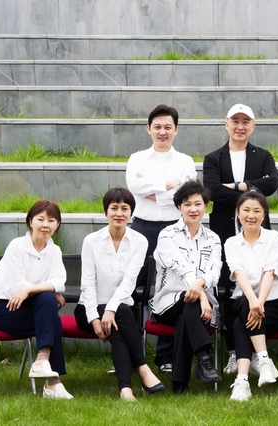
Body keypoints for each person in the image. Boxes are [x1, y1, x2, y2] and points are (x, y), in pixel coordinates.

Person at [203, 103, 278, 374]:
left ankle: (257, 353)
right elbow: (211, 190)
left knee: (256, 288)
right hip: (224, 229)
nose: (240, 126)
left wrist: (234, 187)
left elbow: (272, 185)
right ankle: (234, 352)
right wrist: (251, 188)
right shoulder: (213, 158)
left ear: (253, 126)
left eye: (246, 121)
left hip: (257, 230)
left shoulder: (263, 155)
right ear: (226, 125)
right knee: (226, 290)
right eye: (235, 121)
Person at [74, 188, 165, 402]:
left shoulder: (139, 241)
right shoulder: (91, 241)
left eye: (125, 208)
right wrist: (94, 318)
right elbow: (87, 283)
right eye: (114, 208)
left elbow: (129, 281)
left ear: (131, 212)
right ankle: (142, 369)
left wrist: (110, 309)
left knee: (118, 320)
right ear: (106, 211)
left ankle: (126, 389)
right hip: (89, 309)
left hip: (120, 311)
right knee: (121, 316)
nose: (119, 213)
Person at [126, 104, 197, 373]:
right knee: (134, 288)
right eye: (157, 127)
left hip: (175, 228)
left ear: (176, 130)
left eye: (168, 127)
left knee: (173, 289)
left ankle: (166, 356)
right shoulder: (137, 158)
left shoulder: (185, 161)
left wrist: (152, 190)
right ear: (148, 129)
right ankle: (132, 354)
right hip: (142, 227)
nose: (162, 131)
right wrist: (168, 185)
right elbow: (134, 187)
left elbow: (185, 195)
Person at [0, 200, 72, 399]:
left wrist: (33, 289)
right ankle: (52, 383)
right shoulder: (16, 246)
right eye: (40, 219)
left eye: (52, 220)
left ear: (57, 225)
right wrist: (48, 288)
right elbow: (16, 289)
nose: (45, 225)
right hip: (2, 308)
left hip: (30, 308)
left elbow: (59, 281)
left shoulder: (54, 251)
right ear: (30, 221)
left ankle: (43, 362)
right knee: (52, 316)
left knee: (48, 303)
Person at [149, 180, 223, 394]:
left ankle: (180, 385)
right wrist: (202, 296)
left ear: (205, 207)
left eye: (198, 204)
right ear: (179, 207)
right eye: (187, 204)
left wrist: (199, 289)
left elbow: (215, 272)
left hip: (196, 308)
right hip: (167, 304)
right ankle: (204, 359)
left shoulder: (213, 239)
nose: (193, 209)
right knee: (188, 301)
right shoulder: (167, 235)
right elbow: (181, 267)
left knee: (187, 312)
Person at [224, 190, 278, 401]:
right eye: (246, 210)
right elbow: (239, 274)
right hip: (245, 301)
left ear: (264, 215)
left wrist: (259, 303)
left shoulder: (275, 238)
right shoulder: (231, 243)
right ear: (238, 213)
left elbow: (270, 272)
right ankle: (264, 360)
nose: (251, 215)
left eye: (257, 211)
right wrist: (254, 302)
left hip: (277, 303)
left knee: (240, 324)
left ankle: (242, 382)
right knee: (245, 305)